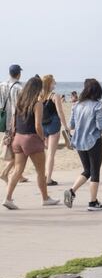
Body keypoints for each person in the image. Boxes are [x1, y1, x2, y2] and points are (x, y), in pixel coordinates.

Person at [2, 77, 60, 209]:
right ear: (37, 89)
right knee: (40, 171)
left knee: (17, 170)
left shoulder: (19, 102)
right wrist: (43, 138)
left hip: (18, 138)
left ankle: (8, 198)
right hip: (31, 139)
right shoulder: (37, 103)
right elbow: (38, 126)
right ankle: (45, 198)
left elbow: (13, 122)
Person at [63, 79, 102, 211]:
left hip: (79, 141)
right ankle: (93, 202)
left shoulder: (76, 105)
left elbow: (71, 125)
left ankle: (71, 191)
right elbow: (101, 126)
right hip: (94, 141)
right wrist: (101, 129)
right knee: (95, 172)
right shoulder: (98, 105)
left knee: (87, 170)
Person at [0, 64, 29, 184]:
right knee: (17, 150)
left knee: (12, 147)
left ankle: (19, 175)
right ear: (19, 74)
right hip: (15, 121)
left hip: (4, 119)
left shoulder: (2, 85)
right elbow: (20, 106)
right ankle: (5, 173)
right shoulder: (19, 88)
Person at [40, 75, 70, 186]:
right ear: (49, 83)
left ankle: (43, 176)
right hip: (53, 125)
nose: (55, 84)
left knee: (45, 153)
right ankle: (48, 179)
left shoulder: (39, 96)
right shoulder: (54, 96)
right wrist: (66, 126)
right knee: (51, 154)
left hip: (42, 125)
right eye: (53, 82)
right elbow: (60, 112)